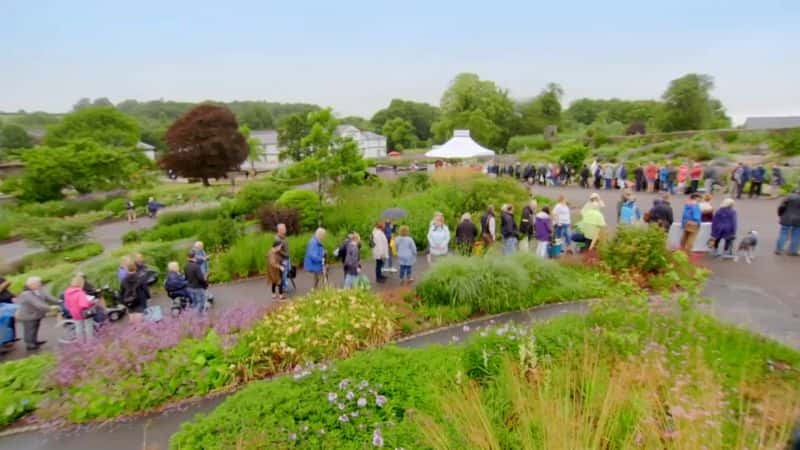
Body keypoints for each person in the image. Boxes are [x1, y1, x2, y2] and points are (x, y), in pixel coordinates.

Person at [17, 277, 60, 351]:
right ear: (31, 285)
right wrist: (50, 307)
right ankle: (29, 344)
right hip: (28, 315)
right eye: (38, 283)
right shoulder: (26, 294)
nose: (40, 284)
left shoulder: (39, 290)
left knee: (35, 328)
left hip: (36, 314)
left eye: (39, 283)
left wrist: (60, 301)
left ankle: (34, 341)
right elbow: (38, 304)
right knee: (30, 329)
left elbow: (49, 297)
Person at [63, 275, 96, 343]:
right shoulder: (80, 293)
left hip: (74, 312)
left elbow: (66, 304)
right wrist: (91, 302)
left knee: (78, 327)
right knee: (88, 327)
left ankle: (81, 342)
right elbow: (83, 305)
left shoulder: (67, 292)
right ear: (81, 283)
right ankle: (90, 343)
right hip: (84, 312)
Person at [775, 188, 800, 256]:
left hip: (786, 217)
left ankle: (778, 249)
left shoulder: (788, 197)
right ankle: (792, 251)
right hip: (798, 219)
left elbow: (781, 207)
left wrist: (780, 215)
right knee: (796, 235)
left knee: (783, 233)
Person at [276, 223, 290, 293]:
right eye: (284, 228)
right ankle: (283, 287)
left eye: (285, 228)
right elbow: (277, 250)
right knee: (283, 274)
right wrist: (285, 255)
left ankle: (285, 285)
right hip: (283, 259)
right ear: (280, 230)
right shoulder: (277, 239)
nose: (286, 230)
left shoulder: (284, 237)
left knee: (287, 271)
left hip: (287, 258)